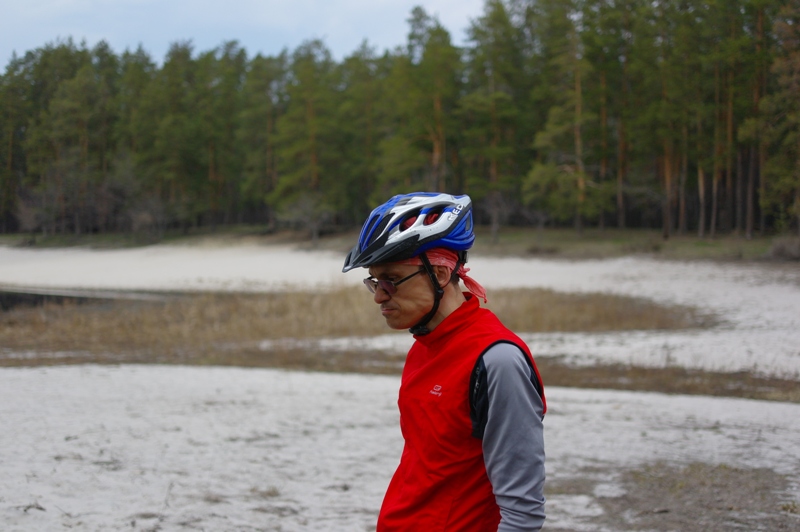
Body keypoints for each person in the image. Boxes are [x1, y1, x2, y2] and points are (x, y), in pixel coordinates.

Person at [342, 192, 546, 531]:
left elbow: (523, 511)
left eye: (391, 280)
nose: (378, 295)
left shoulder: (497, 360)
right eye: (374, 281)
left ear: (438, 273)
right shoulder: (425, 345)